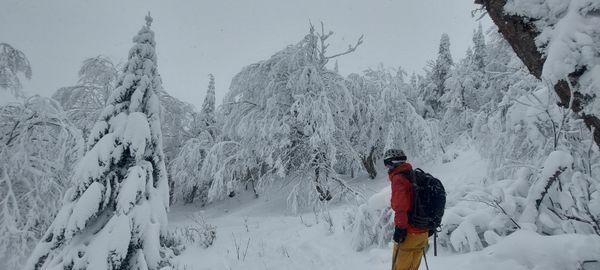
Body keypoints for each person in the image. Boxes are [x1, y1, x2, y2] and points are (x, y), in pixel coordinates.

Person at [384, 149, 428, 270]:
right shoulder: (415, 175)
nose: (387, 168)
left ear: (393, 163)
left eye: (387, 164)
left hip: (409, 233)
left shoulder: (399, 179)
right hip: (423, 232)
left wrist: (400, 229)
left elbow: (401, 207)